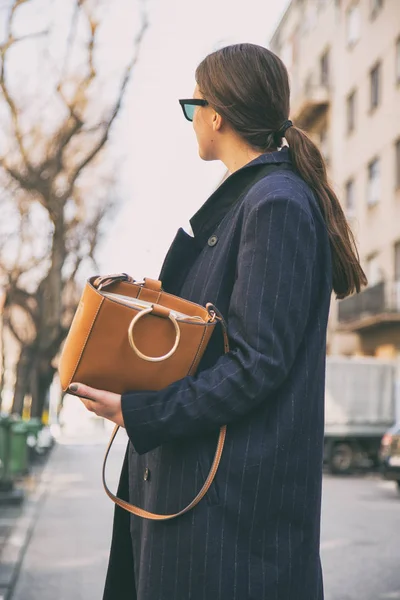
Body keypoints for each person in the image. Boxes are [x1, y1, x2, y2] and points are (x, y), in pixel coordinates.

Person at [69, 43, 367, 600]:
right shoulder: (252, 202)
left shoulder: (274, 204)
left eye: (192, 106)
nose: (192, 122)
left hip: (230, 532)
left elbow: (257, 364)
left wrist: (142, 411)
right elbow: (221, 345)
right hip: (208, 516)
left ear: (217, 113)